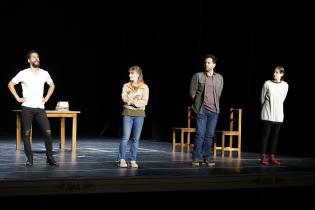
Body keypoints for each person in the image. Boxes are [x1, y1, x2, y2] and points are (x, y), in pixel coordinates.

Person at [8, 50, 57, 166]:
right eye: (34, 57)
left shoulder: (44, 73)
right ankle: (30, 158)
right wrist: (17, 98)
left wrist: (47, 97)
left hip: (40, 108)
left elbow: (52, 85)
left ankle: (50, 158)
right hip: (27, 108)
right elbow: (10, 84)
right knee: (26, 133)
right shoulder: (23, 73)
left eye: (38, 57)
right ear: (29, 60)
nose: (36, 59)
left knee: (48, 132)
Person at [189, 54, 224, 166]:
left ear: (214, 64)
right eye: (205, 62)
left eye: (208, 62)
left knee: (210, 135)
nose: (206, 64)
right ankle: (196, 157)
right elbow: (192, 93)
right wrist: (198, 103)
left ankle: (207, 157)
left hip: (214, 111)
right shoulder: (198, 76)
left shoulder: (219, 78)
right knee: (200, 134)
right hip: (201, 110)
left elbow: (219, 93)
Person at [117, 66, 149, 168]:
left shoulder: (145, 87)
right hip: (127, 113)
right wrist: (135, 94)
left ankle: (132, 159)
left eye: (132, 73)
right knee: (125, 137)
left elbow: (144, 102)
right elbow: (124, 98)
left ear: (137, 75)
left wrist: (132, 103)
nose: (129, 75)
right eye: (129, 73)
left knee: (136, 139)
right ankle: (121, 159)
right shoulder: (126, 86)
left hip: (139, 114)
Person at [260, 66, 288, 165]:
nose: (274, 74)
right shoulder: (267, 83)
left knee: (275, 136)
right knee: (265, 135)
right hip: (267, 113)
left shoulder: (285, 85)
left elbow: (283, 98)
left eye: (276, 72)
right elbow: (262, 98)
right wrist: (265, 108)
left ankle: (272, 156)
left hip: (278, 114)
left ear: (282, 74)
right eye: (274, 72)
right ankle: (263, 157)